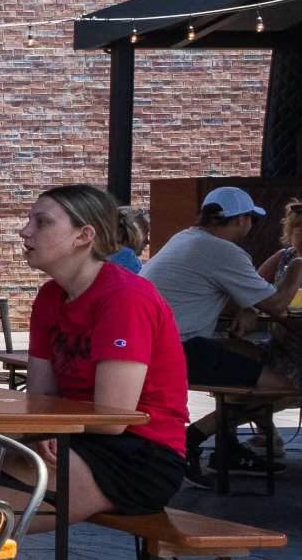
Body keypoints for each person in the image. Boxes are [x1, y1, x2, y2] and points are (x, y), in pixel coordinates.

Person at [18, 183, 195, 526]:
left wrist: (46, 430)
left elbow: (113, 419)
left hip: (139, 454)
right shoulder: (50, 297)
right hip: (77, 440)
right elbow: (41, 400)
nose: (25, 231)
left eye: (41, 222)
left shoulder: (124, 297)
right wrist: (38, 430)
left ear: (84, 236)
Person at [143, 185, 301, 391]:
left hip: (148, 343)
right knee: (286, 389)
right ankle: (212, 424)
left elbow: (206, 294)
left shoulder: (185, 237)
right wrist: (299, 264)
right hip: (177, 348)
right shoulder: (224, 251)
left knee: (248, 352)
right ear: (241, 219)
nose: (251, 224)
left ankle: (243, 422)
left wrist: (250, 308)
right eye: (252, 218)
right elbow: (277, 305)